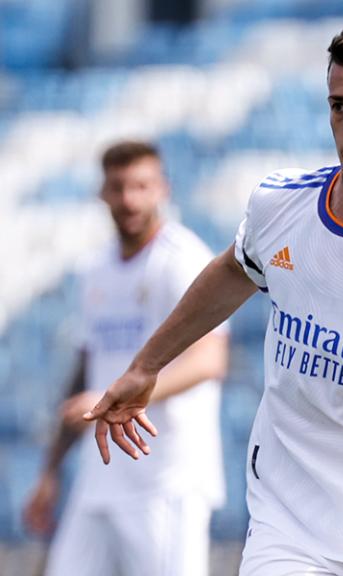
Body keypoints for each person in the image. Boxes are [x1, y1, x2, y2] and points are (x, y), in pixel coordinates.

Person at [84, 17, 343, 576]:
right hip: (290, 528)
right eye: (338, 106)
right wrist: (146, 366)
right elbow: (234, 270)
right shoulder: (280, 204)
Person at [22, 140, 230, 576]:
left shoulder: (182, 259)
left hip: (165, 478)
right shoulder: (95, 270)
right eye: (118, 187)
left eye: (141, 186)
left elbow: (210, 360)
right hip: (99, 478)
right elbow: (85, 370)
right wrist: (50, 471)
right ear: (102, 193)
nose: (129, 199)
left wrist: (125, 396)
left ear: (163, 189)